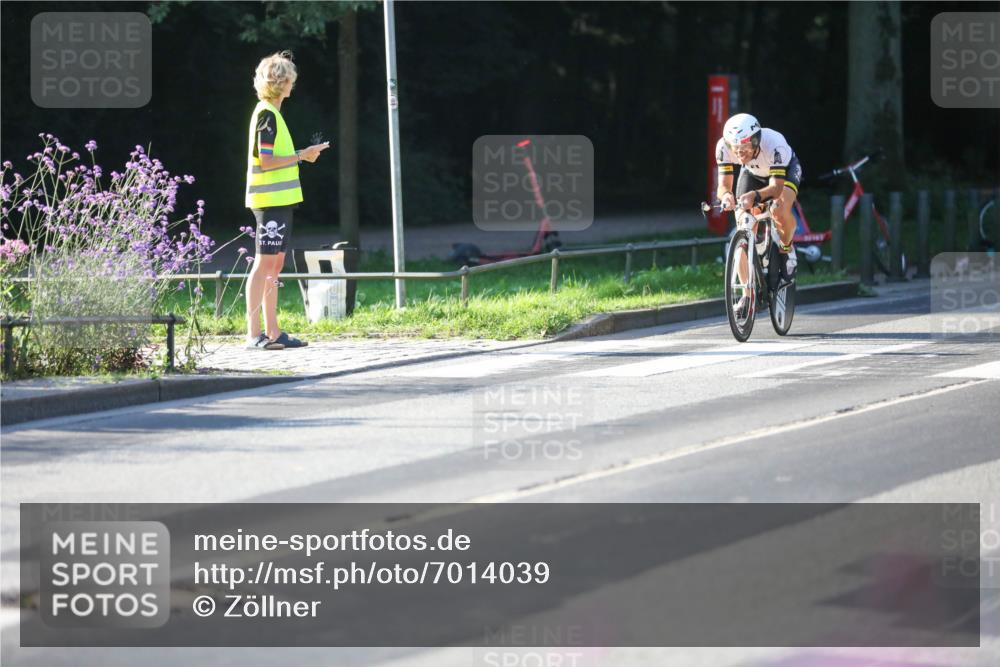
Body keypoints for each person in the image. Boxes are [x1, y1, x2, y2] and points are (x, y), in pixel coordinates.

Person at [244, 50, 330, 350]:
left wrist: (303, 156)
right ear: (281, 83)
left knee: (275, 265)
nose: (293, 84)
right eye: (290, 79)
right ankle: (254, 334)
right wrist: (301, 155)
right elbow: (266, 162)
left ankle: (273, 332)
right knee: (264, 264)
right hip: (269, 202)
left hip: (280, 201)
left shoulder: (272, 114)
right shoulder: (267, 115)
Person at [714, 113, 802, 316]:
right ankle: (747, 293)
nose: (739, 154)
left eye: (744, 148)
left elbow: (776, 188)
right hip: (753, 174)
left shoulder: (774, 143)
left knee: (778, 209)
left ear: (756, 141)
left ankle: (787, 249)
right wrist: (727, 197)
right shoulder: (723, 147)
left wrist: (753, 196)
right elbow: (723, 186)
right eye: (735, 149)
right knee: (742, 223)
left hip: (784, 173)